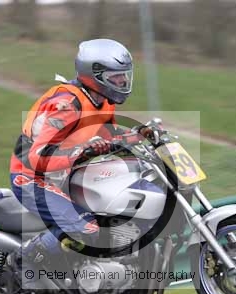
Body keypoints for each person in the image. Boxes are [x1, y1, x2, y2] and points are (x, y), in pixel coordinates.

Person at [9, 38, 151, 271]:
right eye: (116, 77)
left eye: (124, 76)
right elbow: (37, 157)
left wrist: (141, 134)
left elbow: (109, 135)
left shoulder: (103, 101)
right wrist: (81, 153)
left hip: (65, 176)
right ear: (95, 75)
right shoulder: (67, 105)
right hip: (31, 178)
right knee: (85, 228)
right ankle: (24, 259)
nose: (123, 82)